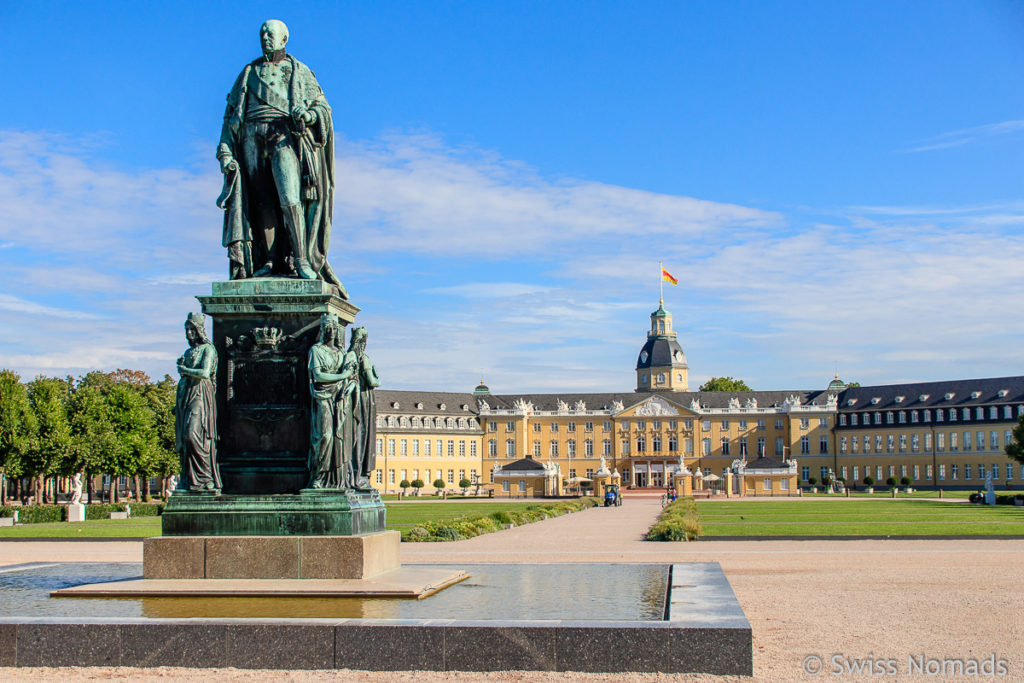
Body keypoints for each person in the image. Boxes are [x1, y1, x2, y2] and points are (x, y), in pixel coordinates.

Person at [217, 20, 347, 296]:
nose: (265, 37)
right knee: (263, 202)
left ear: (284, 39)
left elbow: (322, 107)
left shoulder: (298, 70)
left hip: (283, 135)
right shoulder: (248, 73)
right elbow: (230, 118)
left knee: (290, 199)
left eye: (271, 34)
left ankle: (301, 258)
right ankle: (269, 259)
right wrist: (227, 152)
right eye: (262, 33)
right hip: (252, 136)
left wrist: (310, 116)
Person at [174, 313, 222, 492]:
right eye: (187, 330)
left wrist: (184, 370)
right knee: (188, 438)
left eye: (192, 330)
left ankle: (206, 477)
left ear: (200, 330)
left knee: (192, 434)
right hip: (188, 395)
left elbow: (204, 372)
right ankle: (193, 481)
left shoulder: (208, 349)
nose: (189, 334)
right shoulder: (188, 352)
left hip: (201, 393)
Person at [306, 314, 353, 488]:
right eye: (328, 328)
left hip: (340, 398)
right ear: (323, 329)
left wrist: (351, 383)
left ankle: (337, 477)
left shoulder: (342, 353)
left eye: (334, 327)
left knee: (340, 438)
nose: (331, 331)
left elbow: (352, 375)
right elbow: (317, 375)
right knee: (325, 436)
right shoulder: (316, 350)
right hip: (322, 395)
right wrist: (343, 375)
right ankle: (318, 475)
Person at [343, 327, 381, 491]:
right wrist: (376, 375)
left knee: (355, 438)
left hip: (355, 400)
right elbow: (372, 381)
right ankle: (359, 476)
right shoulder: (362, 358)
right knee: (361, 439)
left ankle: (355, 475)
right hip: (363, 401)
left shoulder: (348, 356)